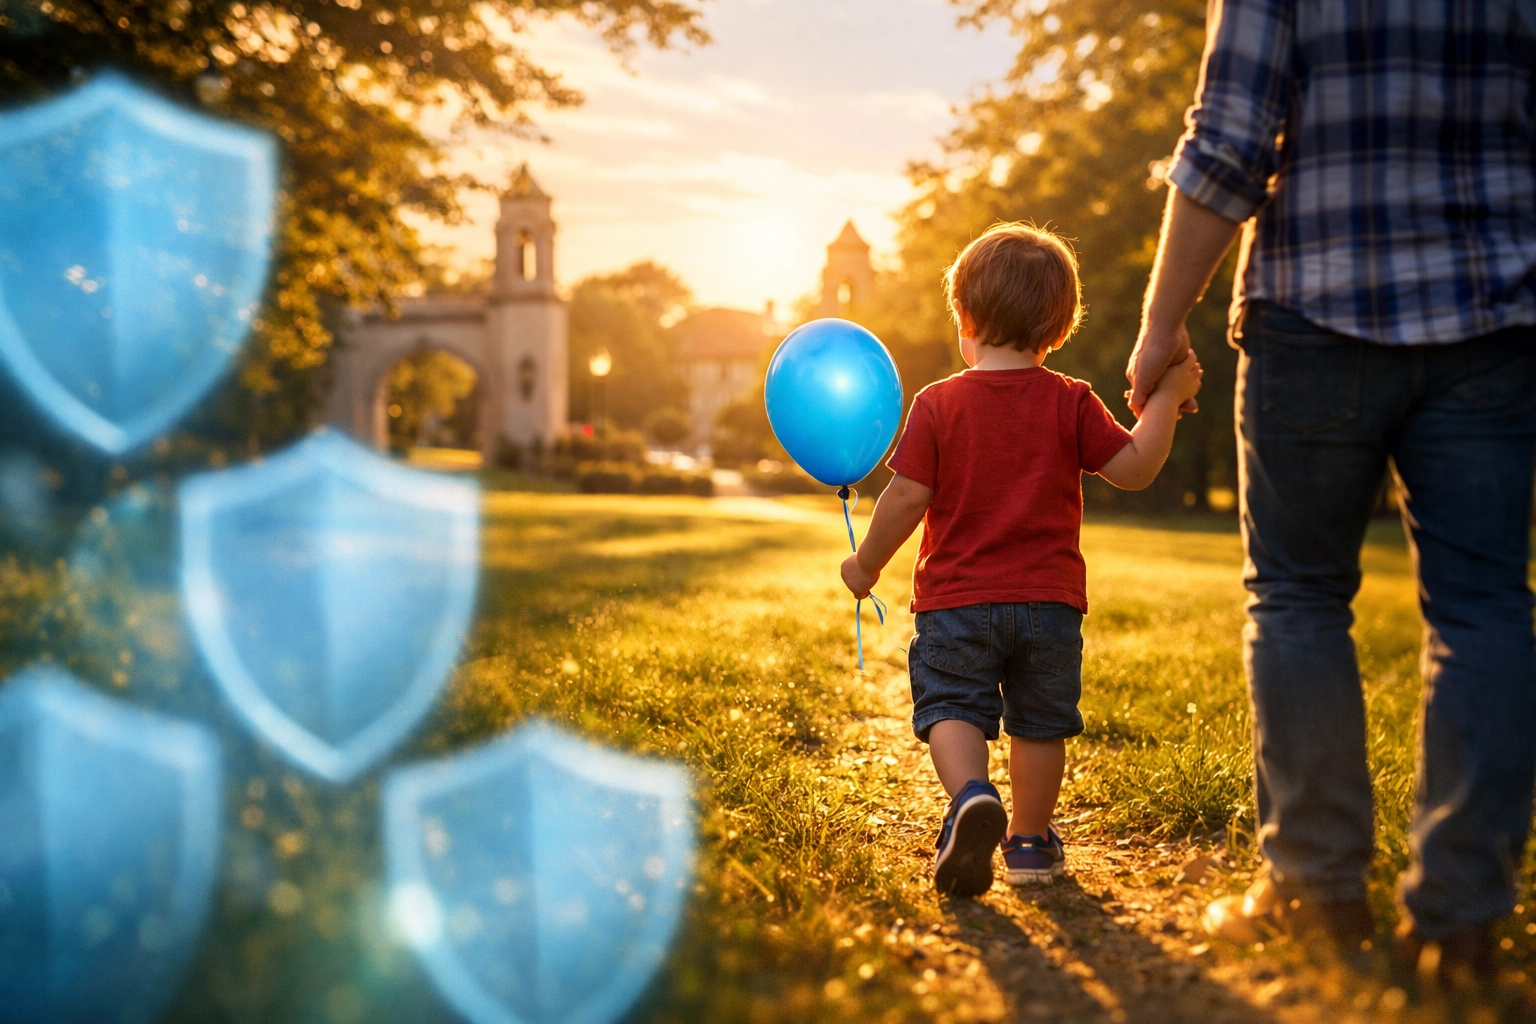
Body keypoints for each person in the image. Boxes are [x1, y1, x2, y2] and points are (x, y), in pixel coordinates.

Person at [1127, 0, 1536, 979]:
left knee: (1300, 596)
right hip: (1494, 314)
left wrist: (1161, 322)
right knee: (1485, 606)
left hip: (1315, 305)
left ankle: (1314, 890)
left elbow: (1229, 141)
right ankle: (1461, 918)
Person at [841, 223, 1204, 896]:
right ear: (1060, 328)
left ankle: (971, 797)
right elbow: (1134, 467)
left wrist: (866, 565)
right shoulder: (1071, 399)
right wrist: (1165, 398)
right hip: (1050, 605)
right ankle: (1031, 843)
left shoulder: (937, 403)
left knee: (953, 704)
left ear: (964, 317)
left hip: (956, 602)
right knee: (1039, 722)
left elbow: (906, 496)